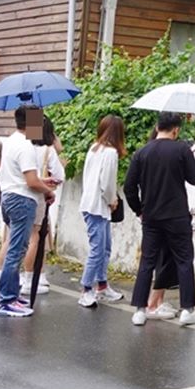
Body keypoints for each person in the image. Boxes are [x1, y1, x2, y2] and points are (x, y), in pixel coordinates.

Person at [125, 112, 195, 327]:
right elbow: (194, 179)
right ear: (176, 129)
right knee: (184, 260)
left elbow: (129, 187)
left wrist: (139, 210)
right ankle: (188, 310)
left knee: (147, 261)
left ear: (157, 126)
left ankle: (140, 310)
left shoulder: (141, 153)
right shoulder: (182, 150)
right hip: (177, 215)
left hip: (151, 216)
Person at [0, 106, 57, 318]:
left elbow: (22, 177)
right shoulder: (26, 146)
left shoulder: (11, 141)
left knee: (13, 246)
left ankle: (10, 295)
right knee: (17, 250)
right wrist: (47, 189)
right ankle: (6, 299)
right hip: (22, 200)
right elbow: (30, 182)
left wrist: (41, 182)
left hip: (10, 197)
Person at [78, 115, 127, 308]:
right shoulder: (110, 153)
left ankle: (102, 285)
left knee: (103, 248)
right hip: (99, 206)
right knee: (99, 250)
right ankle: (86, 289)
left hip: (90, 204)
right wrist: (112, 200)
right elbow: (106, 183)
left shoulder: (94, 149)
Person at [20, 116, 65, 297]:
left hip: (15, 197)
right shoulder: (47, 150)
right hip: (38, 197)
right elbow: (59, 176)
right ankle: (30, 278)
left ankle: (16, 277)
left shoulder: (22, 146)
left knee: (15, 239)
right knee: (35, 238)